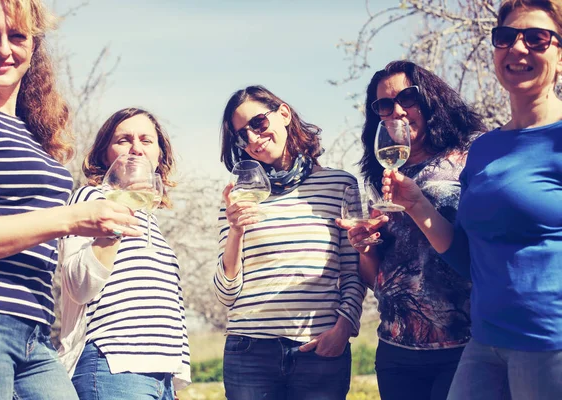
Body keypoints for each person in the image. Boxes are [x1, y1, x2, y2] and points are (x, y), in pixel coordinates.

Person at [381, 1, 562, 399]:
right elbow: (466, 256)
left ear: (560, 55)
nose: (518, 48)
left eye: (536, 38)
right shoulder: (486, 149)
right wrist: (416, 205)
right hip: (484, 342)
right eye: (505, 37)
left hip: (548, 343)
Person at [0, 0, 138, 399]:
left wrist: (101, 229)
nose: (4, 49)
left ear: (34, 46)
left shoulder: (32, 132)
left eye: (17, 36)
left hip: (36, 330)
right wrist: (70, 218)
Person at [336, 60, 485, 400]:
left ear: (431, 98)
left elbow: (487, 242)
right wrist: (365, 247)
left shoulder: (473, 154)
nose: (397, 111)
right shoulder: (381, 177)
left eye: (407, 98)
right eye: (385, 105)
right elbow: (378, 278)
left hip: (465, 343)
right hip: (397, 347)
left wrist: (420, 205)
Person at [213, 85, 366, 400]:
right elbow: (225, 294)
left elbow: (353, 272)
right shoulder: (236, 198)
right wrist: (236, 230)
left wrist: (343, 328)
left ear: (283, 113)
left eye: (258, 123)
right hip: (249, 351)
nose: (253, 138)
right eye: (242, 135)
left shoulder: (340, 185)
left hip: (318, 351)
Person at [57, 107, 191, 400]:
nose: (136, 148)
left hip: (160, 376)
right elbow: (78, 285)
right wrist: (124, 208)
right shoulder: (91, 199)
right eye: (123, 140)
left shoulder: (151, 220)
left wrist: (172, 379)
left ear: (159, 156)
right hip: (113, 368)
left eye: (146, 140)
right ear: (105, 154)